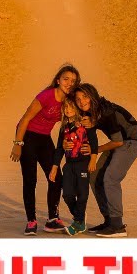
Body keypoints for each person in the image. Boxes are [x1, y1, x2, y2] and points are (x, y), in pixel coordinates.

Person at [10, 64, 80, 235]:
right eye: (66, 79)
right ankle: (31, 220)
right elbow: (25, 118)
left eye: (73, 81)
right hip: (28, 136)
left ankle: (52, 219)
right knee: (30, 179)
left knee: (56, 177)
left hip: (44, 138)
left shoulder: (70, 101)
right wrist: (18, 144)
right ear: (58, 80)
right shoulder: (46, 96)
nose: (69, 83)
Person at [72, 83, 137, 237]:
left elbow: (118, 141)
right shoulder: (90, 113)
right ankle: (109, 220)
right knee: (95, 177)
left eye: (85, 96)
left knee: (110, 178)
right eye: (77, 99)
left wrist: (96, 150)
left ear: (93, 96)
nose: (81, 101)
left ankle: (117, 226)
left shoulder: (106, 111)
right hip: (118, 142)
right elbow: (89, 135)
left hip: (130, 141)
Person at [49, 98, 98, 236]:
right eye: (65, 107)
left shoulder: (85, 122)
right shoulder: (64, 127)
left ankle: (78, 223)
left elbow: (94, 141)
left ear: (77, 108)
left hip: (83, 163)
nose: (68, 109)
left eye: (71, 106)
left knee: (82, 194)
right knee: (67, 195)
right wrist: (54, 167)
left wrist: (93, 160)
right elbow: (59, 148)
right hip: (69, 165)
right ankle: (79, 217)